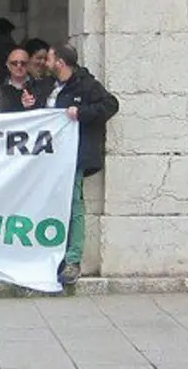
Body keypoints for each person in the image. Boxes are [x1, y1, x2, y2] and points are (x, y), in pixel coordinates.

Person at [30, 45, 119, 285]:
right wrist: (29, 103)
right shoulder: (49, 85)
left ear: (59, 62)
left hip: (73, 155)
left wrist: (80, 112)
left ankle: (72, 259)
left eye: (49, 58)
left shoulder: (86, 84)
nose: (45, 63)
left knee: (74, 203)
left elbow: (111, 105)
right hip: (48, 156)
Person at [0, 47, 43, 112]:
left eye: (23, 63)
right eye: (14, 63)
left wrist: (32, 105)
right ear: (7, 65)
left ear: (29, 65)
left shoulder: (40, 86)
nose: (19, 66)